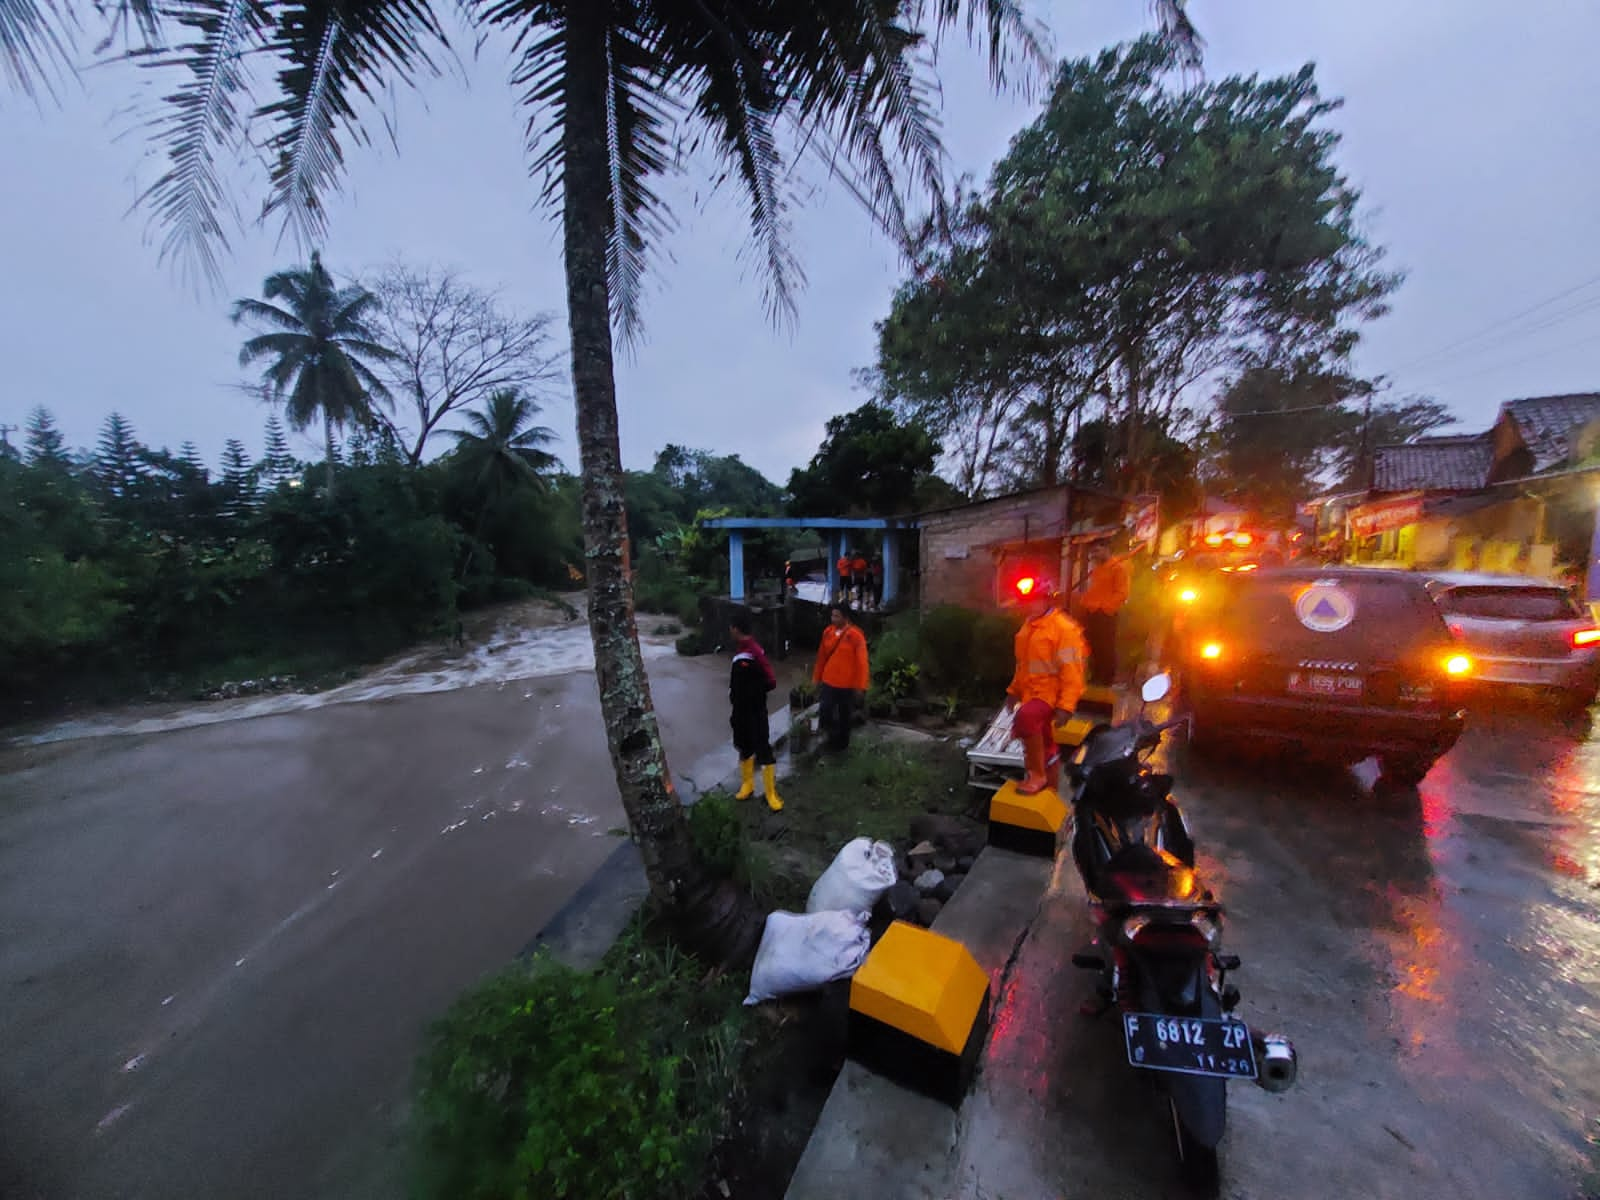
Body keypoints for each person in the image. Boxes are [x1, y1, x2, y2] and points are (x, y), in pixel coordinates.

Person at [1006, 579, 1088, 795]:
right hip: (1031, 693)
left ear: (1046, 599)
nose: (1027, 605)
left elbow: (1073, 672)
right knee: (1044, 738)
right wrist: (1013, 691)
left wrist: (1066, 706)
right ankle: (1049, 784)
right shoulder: (1029, 626)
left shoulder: (1063, 629)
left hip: (1050, 695)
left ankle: (1037, 775)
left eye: (1033, 600)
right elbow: (1023, 666)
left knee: (1026, 719)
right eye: (1025, 601)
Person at [729, 612, 782, 811]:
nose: (729, 631)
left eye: (730, 628)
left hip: (756, 711)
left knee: (763, 750)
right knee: (744, 747)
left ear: (736, 629)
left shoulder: (755, 652)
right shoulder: (738, 652)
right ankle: (747, 785)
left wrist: (752, 693)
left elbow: (771, 682)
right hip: (739, 711)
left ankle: (771, 794)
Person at [814, 604, 870, 752]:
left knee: (845, 716)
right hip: (829, 681)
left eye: (837, 616)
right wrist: (817, 678)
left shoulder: (856, 636)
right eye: (832, 615)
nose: (833, 619)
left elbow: (862, 663)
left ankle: (842, 746)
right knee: (825, 710)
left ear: (845, 617)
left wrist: (861, 686)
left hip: (847, 684)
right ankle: (830, 738)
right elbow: (821, 657)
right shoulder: (827, 633)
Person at [1080, 539, 1134, 687]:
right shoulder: (1098, 569)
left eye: (1096, 551)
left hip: (1106, 614)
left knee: (1106, 647)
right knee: (1094, 646)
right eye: (1092, 552)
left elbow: (1122, 593)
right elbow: (1094, 590)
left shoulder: (1118, 568)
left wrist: (1105, 607)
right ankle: (1096, 675)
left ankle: (1106, 679)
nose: (1094, 555)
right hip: (1093, 612)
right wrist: (1086, 603)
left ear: (1106, 549)